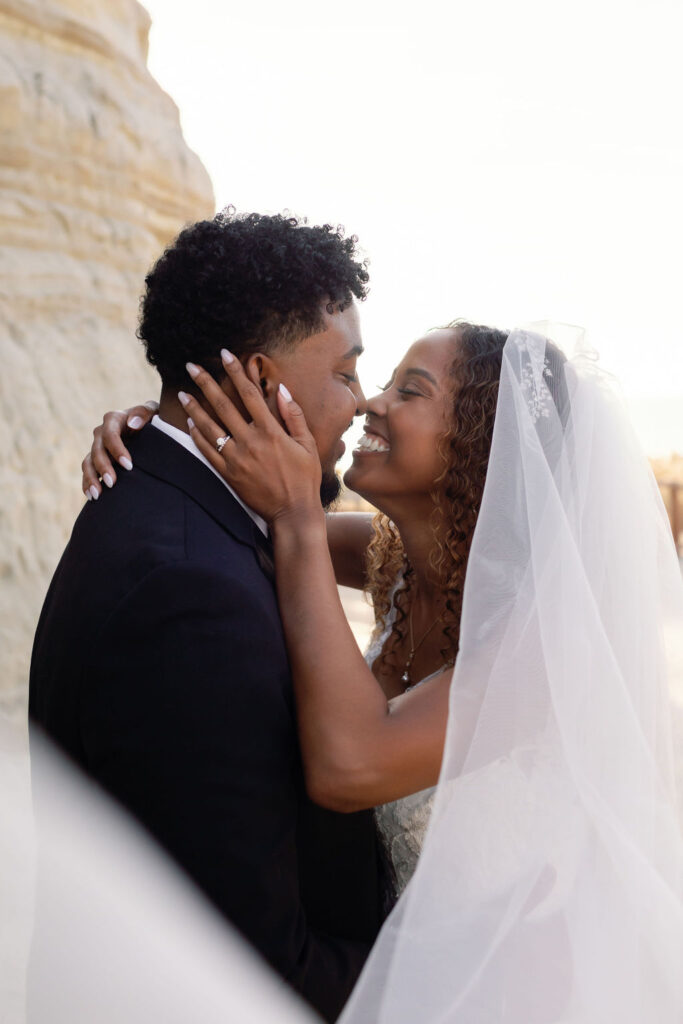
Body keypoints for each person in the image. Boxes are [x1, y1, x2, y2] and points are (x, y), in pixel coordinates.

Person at [88, 321, 683, 1021]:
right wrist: (161, 429)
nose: (370, 403)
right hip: (402, 975)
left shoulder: (547, 650)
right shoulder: (393, 563)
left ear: (479, 446)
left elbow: (352, 767)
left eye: (410, 390)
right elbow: (246, 514)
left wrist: (297, 516)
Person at [29, 209, 388, 1023]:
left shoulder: (173, 505)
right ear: (261, 382)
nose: (361, 404)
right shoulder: (187, 590)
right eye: (344, 373)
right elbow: (249, 970)